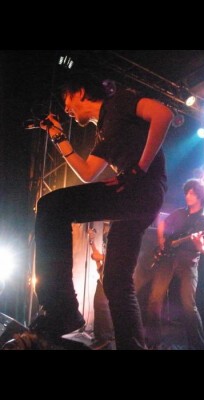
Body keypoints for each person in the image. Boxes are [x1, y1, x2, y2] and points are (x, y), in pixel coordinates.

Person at [26, 73, 173, 350]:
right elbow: (87, 173)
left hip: (140, 190)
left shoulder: (120, 101)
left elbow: (163, 114)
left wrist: (139, 169)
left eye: (67, 98)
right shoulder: (105, 129)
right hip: (138, 197)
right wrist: (57, 135)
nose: (66, 108)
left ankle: (61, 309)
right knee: (116, 281)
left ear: (81, 92)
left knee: (51, 206)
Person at [145, 179, 204, 350]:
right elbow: (162, 223)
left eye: (192, 193)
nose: (187, 195)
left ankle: (198, 346)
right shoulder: (179, 213)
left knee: (189, 305)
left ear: (201, 196)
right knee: (154, 299)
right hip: (168, 259)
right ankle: (153, 343)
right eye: (187, 192)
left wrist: (199, 244)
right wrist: (161, 240)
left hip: (189, 262)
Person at [88, 225, 114, 349]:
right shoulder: (107, 242)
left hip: (112, 279)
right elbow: (98, 259)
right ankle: (100, 336)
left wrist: (100, 257)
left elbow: (112, 258)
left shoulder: (119, 241)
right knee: (98, 305)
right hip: (103, 279)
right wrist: (92, 242)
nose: (104, 229)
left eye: (106, 227)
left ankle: (106, 338)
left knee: (103, 306)